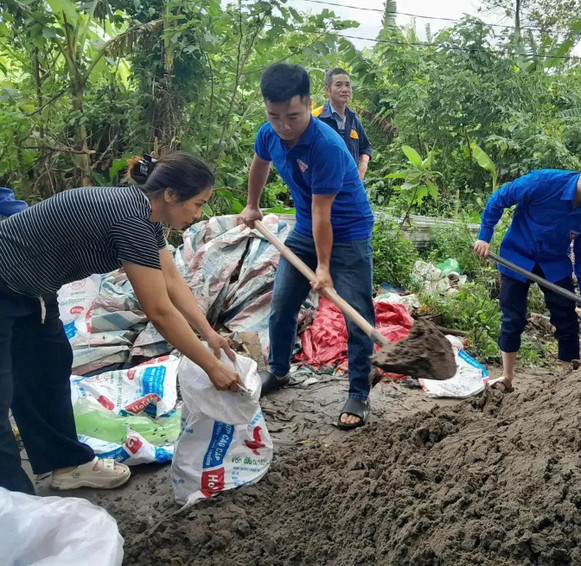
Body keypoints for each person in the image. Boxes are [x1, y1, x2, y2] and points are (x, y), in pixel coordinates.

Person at [0, 152, 242, 495]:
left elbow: (172, 282)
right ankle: (13, 503)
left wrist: (210, 335)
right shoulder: (130, 219)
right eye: (198, 204)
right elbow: (158, 311)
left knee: (47, 370)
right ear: (171, 195)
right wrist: (211, 368)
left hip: (33, 293)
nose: (199, 215)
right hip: (5, 284)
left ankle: (67, 464)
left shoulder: (145, 215)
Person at [241, 63, 375, 430]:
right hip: (305, 230)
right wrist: (252, 204)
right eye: (274, 115)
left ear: (310, 104)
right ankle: (280, 371)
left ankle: (359, 393)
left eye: (293, 116)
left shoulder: (327, 146)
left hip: (348, 233)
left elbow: (323, 214)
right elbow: (259, 163)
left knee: (357, 315)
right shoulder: (269, 133)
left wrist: (324, 268)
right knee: (282, 304)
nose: (284, 125)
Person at [472, 148, 581, 391]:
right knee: (512, 319)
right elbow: (499, 199)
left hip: (555, 263)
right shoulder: (542, 182)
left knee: (566, 320)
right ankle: (507, 377)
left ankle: (567, 381)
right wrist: (485, 237)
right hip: (517, 256)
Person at [311, 68, 372, 180]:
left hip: (351, 185)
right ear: (327, 90)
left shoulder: (353, 119)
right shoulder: (315, 119)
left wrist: (362, 168)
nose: (345, 89)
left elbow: (365, 147)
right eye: (338, 85)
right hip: (323, 186)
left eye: (348, 85)